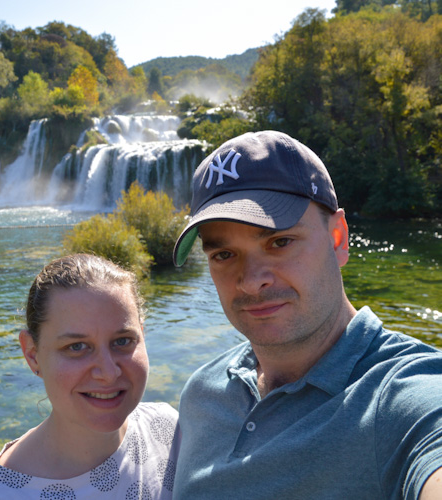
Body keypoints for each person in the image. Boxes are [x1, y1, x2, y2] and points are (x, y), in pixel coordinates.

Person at [172, 130, 442, 499]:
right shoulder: (203, 394)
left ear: (339, 238)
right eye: (223, 255)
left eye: (279, 242)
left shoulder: (400, 397)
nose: (251, 282)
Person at [0, 253, 179, 499]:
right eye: (76, 347)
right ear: (32, 354)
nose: (108, 372)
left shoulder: (169, 431)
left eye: (123, 341)